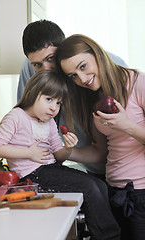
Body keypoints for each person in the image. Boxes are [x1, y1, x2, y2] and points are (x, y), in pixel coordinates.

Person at [0, 70, 121, 240]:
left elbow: (59, 155)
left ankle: (103, 235)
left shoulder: (49, 122)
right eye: (49, 99)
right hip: (32, 175)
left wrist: (68, 147)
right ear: (33, 93)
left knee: (100, 185)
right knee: (89, 187)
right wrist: (29, 153)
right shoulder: (16, 116)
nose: (54, 107)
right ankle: (110, 237)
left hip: (51, 168)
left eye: (59, 103)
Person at [55, 34, 145, 240]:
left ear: (97, 54)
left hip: (141, 193)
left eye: (83, 66)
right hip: (113, 192)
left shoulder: (137, 82)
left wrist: (127, 126)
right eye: (73, 76)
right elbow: (99, 152)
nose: (82, 78)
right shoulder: (95, 99)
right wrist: (66, 152)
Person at [17, 20, 128, 180]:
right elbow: (27, 120)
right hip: (93, 167)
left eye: (51, 59)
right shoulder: (31, 67)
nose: (46, 70)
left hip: (129, 168)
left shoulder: (107, 66)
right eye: (38, 64)